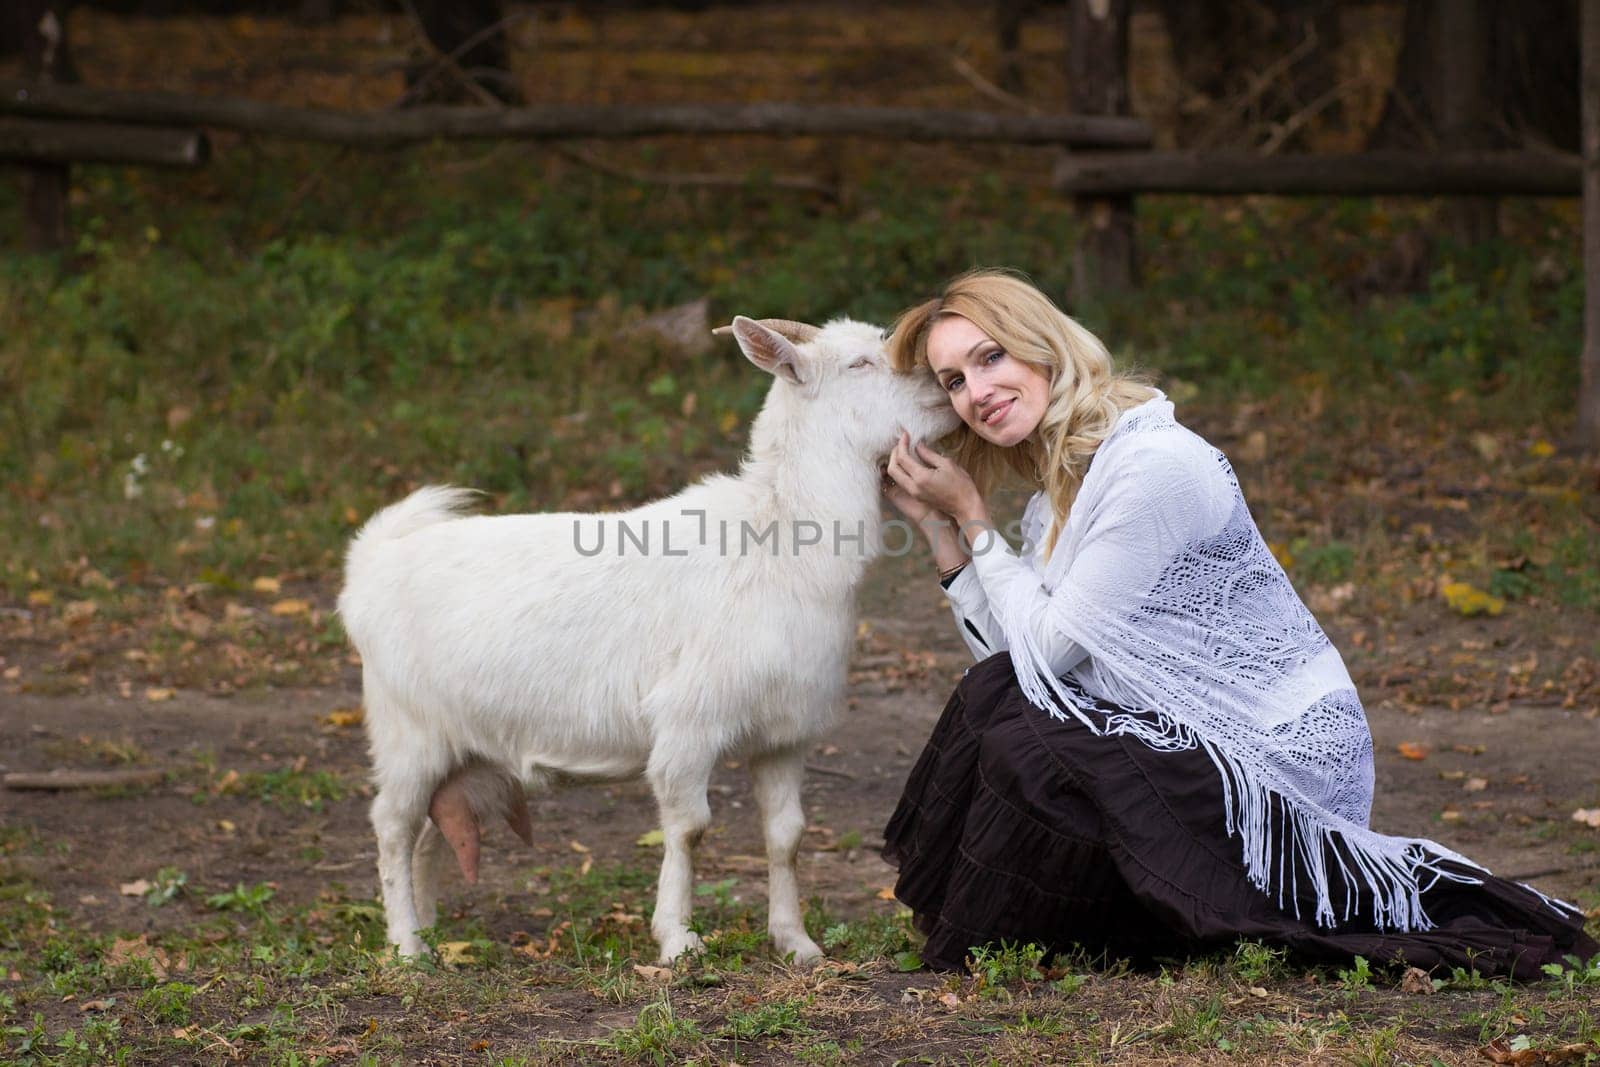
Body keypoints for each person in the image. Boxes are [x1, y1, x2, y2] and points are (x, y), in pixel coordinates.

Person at [878, 268, 1596, 979]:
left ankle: (1164, 914)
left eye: (990, 357)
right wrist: (943, 532)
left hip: (1277, 764)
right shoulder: (1059, 496)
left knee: (1027, 739)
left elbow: (1044, 654)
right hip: (1182, 746)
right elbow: (1020, 669)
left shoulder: (1151, 467)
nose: (976, 392)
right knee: (1005, 711)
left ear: (1042, 347)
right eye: (953, 381)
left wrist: (974, 515)